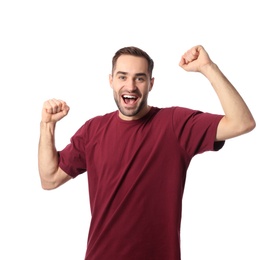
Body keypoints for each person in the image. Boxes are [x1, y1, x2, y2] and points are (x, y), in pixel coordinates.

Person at [38, 45, 256, 260]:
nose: (130, 86)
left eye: (139, 78)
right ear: (111, 81)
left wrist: (208, 67)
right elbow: (50, 179)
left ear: (151, 84)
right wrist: (47, 125)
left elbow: (242, 122)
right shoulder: (93, 130)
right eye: (122, 77)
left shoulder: (175, 124)